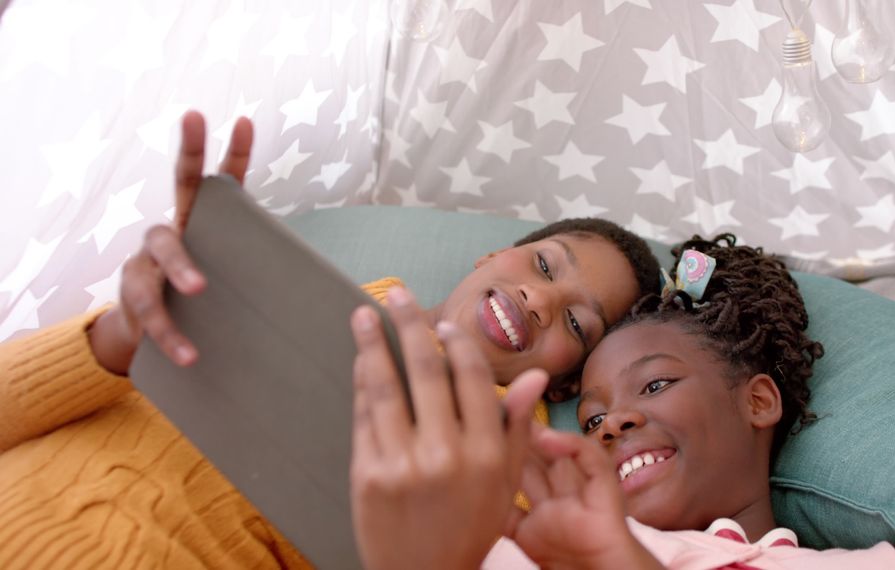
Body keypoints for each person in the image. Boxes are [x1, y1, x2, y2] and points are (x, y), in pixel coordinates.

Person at [0, 111, 660, 569]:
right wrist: (118, 338)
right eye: (544, 266)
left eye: (578, 323)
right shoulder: (253, 286)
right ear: (490, 257)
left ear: (570, 377)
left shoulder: (507, 475)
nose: (540, 301)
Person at [349, 234, 895, 569]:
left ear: (758, 401)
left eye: (655, 385)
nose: (614, 424)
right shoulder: (534, 543)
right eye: (593, 420)